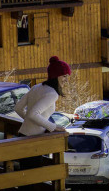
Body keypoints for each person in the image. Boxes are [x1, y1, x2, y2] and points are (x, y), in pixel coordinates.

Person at [14, 57, 71, 188]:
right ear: (56, 76)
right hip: (34, 142)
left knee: (26, 181)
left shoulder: (36, 87)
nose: (66, 80)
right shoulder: (52, 94)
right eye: (64, 76)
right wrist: (53, 127)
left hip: (23, 136)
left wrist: (29, 120)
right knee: (34, 182)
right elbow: (33, 114)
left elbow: (18, 108)